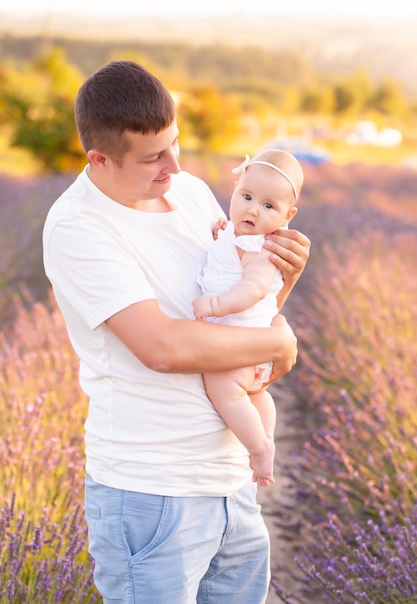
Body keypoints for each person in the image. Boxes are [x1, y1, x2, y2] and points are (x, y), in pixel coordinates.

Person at [42, 60, 310, 604]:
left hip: (231, 483)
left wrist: (283, 282)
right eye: (153, 157)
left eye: (175, 145)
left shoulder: (189, 193)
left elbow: (237, 318)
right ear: (100, 159)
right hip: (152, 495)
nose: (175, 166)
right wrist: (282, 343)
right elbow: (162, 347)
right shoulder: (78, 227)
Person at [192, 149, 304, 488]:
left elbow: (252, 291)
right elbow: (225, 254)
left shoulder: (261, 250)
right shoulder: (236, 236)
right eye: (246, 196)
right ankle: (266, 436)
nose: (253, 209)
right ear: (235, 188)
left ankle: (258, 450)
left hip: (241, 339)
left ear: (288, 215)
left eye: (268, 206)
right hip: (249, 344)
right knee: (257, 395)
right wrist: (222, 234)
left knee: (226, 391)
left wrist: (213, 304)